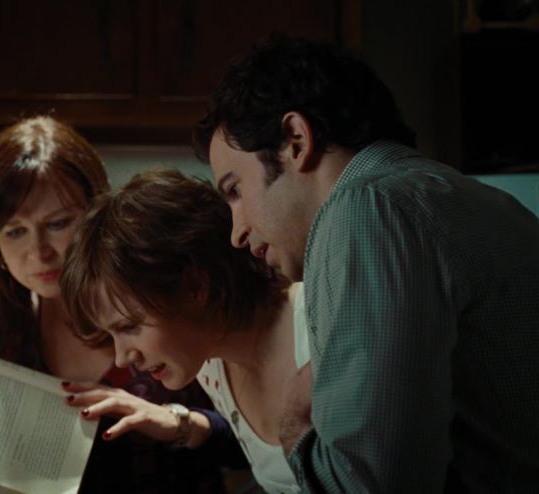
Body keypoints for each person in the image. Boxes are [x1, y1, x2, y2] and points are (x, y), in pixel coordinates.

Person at [192, 33, 539, 492]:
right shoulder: (446, 193)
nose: (236, 232)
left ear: (296, 140)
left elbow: (370, 485)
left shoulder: (366, 209)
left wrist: (294, 428)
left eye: (235, 190)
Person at [0, 116, 235, 493]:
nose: (39, 252)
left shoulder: (154, 292)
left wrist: (175, 422)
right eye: (15, 231)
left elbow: (252, 446)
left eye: (58, 223)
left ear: (96, 213)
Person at [61, 168, 310, 493]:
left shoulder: (316, 324)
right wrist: (180, 423)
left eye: (129, 326)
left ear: (195, 286)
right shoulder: (210, 366)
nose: (122, 358)